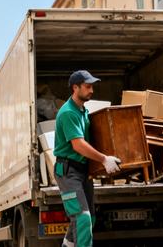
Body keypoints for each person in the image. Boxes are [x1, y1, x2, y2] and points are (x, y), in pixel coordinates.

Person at [53, 70, 123, 247]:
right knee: (82, 218)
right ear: (75, 88)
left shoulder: (82, 110)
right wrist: (103, 159)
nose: (92, 90)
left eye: (92, 86)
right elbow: (78, 145)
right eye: (88, 86)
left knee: (88, 217)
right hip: (68, 172)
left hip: (82, 171)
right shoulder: (69, 112)